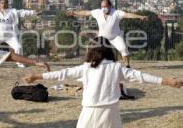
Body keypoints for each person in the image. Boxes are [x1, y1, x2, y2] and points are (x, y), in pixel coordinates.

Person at [24, 37, 183, 128]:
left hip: (89, 113)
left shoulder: (86, 68)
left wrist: (37, 76)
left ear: (92, 51)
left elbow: (63, 74)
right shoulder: (116, 68)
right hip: (111, 113)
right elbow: (141, 76)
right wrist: (167, 81)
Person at [67, 0, 147, 68]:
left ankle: (127, 65)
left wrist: (140, 17)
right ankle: (90, 65)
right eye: (102, 6)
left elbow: (127, 15)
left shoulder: (116, 13)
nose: (103, 8)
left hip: (115, 37)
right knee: (93, 50)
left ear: (110, 6)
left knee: (123, 49)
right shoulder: (97, 12)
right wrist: (74, 13)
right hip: (102, 38)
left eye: (105, 6)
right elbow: (86, 13)